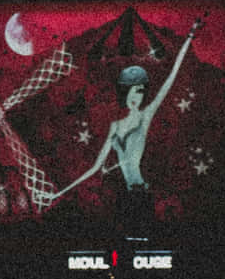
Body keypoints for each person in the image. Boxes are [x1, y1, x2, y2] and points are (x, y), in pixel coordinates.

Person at [47, 18, 203, 223]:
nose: (134, 96)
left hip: (141, 192)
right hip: (127, 196)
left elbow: (170, 78)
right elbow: (94, 167)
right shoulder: (115, 126)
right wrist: (61, 192)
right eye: (129, 91)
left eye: (138, 91)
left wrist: (189, 37)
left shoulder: (146, 116)